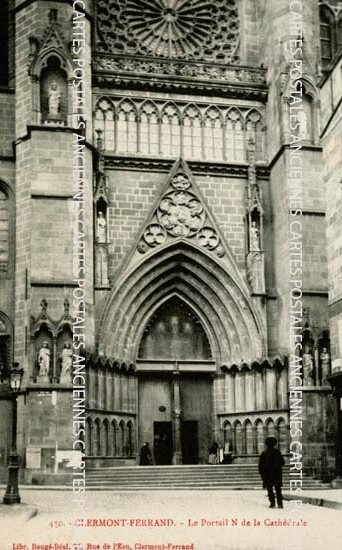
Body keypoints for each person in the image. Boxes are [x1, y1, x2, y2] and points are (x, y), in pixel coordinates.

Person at [258, 436, 285, 508]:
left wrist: (262, 475)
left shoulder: (264, 453)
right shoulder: (277, 452)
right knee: (278, 489)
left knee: (269, 489)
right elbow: (282, 462)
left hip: (268, 475)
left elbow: (260, 466)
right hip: (276, 474)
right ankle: (280, 504)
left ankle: (272, 503)